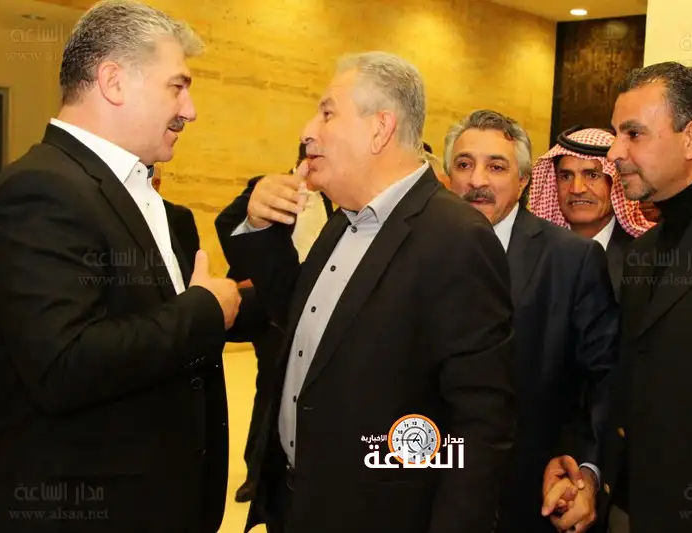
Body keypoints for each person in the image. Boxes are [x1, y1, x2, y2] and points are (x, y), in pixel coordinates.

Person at [220, 51, 515, 533]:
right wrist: (259, 228)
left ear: (380, 128)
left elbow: (480, 422)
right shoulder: (344, 223)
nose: (308, 131)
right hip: (297, 504)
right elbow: (302, 321)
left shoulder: (456, 237)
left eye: (327, 112)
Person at [0, 2, 241, 531]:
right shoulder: (41, 189)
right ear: (113, 81)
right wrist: (202, 312)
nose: (191, 110)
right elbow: (64, 364)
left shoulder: (137, 192)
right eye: (178, 86)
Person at [542, 61, 692, 533]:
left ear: (691, 138)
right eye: (617, 134)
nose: (615, 152)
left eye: (633, 134)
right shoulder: (645, 251)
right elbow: (628, 390)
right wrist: (591, 477)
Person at [444, 110, 619, 533]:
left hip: (530, 495)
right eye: (464, 164)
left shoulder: (570, 259)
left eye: (496, 166)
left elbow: (603, 379)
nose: (477, 180)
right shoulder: (421, 252)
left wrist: (586, 471)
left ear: (523, 180)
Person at [214, 143, 334, 503]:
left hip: (313, 313)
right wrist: (255, 275)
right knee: (269, 390)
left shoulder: (335, 202)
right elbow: (228, 225)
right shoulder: (270, 187)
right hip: (272, 313)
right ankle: (255, 473)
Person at [529, 127, 653, 299]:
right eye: (566, 176)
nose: (577, 189)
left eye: (592, 175)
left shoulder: (650, 253)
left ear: (616, 182)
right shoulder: (532, 252)